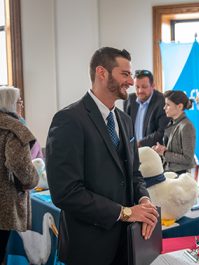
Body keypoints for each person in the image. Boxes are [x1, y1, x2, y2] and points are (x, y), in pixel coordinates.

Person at [46, 47, 159, 265]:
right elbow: (65, 193)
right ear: (101, 72)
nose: (130, 81)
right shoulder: (68, 120)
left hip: (127, 245)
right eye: (124, 74)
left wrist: (144, 199)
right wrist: (126, 213)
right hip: (88, 248)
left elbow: (133, 174)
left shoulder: (125, 121)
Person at [0, 86, 39, 264]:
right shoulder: (14, 129)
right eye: (19, 102)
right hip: (4, 205)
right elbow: (21, 167)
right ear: (11, 105)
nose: (21, 105)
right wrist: (33, 179)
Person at [153, 90, 196, 174]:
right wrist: (162, 149)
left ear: (179, 106)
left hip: (180, 176)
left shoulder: (186, 126)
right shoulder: (172, 122)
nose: (164, 108)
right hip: (170, 173)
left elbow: (188, 158)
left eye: (168, 105)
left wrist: (164, 152)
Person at [123, 70, 169, 147]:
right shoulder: (129, 100)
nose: (140, 91)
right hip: (132, 151)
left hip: (153, 152)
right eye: (137, 87)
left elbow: (162, 131)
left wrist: (140, 144)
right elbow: (126, 127)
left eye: (144, 87)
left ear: (153, 86)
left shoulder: (162, 101)